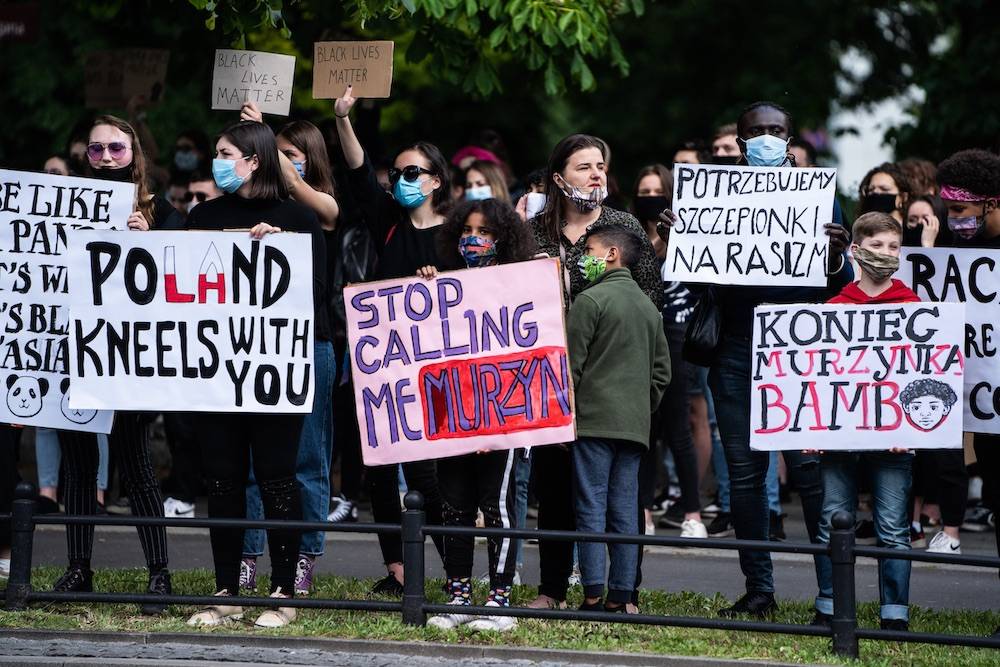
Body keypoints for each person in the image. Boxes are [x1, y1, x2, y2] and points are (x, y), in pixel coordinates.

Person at [662, 101, 852, 618]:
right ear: (741, 140)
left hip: (800, 349)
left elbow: (838, 283)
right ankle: (759, 589)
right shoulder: (714, 196)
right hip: (736, 350)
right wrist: (682, 236)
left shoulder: (821, 198)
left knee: (810, 473)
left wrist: (837, 251)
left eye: (776, 130)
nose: (767, 138)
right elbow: (699, 280)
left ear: (789, 139)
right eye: (757, 131)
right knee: (745, 475)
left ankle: (831, 595)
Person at [184, 120, 327, 628]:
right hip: (217, 370)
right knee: (222, 480)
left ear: (254, 160)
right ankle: (225, 590)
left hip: (272, 370)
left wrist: (281, 249)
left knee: (277, 479)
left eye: (225, 153)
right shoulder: (202, 216)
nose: (217, 161)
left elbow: (313, 299)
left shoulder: (298, 219)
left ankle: (284, 592)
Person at [526, 133, 660, 611]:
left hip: (607, 381)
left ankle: (622, 594)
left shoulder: (622, 227)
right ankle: (552, 588)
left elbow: (648, 301)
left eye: (600, 165)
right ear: (559, 178)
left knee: (619, 500)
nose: (597, 174)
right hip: (543, 371)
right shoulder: (533, 229)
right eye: (584, 167)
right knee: (557, 489)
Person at [51, 114, 179, 615]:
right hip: (74, 355)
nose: (106, 157)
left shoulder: (162, 212)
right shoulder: (61, 210)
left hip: (129, 359)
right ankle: (79, 569)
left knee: (135, 460)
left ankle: (159, 574)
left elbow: (177, 290)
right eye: (97, 149)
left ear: (135, 155)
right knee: (78, 464)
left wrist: (146, 243)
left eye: (117, 149)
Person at [334, 84, 447, 596]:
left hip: (436, 372)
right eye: (396, 173)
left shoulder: (456, 235)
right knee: (380, 470)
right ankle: (398, 571)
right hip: (383, 366)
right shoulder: (387, 221)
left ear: (436, 181)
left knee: (427, 476)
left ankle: (453, 569)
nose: (400, 181)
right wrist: (342, 119)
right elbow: (357, 172)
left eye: (411, 173)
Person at [420, 199, 537, 632]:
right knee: (455, 506)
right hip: (455, 417)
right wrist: (427, 290)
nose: (474, 239)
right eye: (467, 231)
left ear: (503, 237)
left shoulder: (520, 286)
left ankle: (500, 599)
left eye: (484, 232)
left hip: (504, 417)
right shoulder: (443, 285)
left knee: (498, 505)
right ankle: (459, 595)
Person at [237, 108, 340, 595]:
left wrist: (274, 157)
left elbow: (324, 210)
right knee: (259, 463)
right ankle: (248, 557)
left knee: (306, 459)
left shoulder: (314, 211)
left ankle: (303, 556)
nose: (278, 164)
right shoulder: (253, 208)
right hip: (257, 345)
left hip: (310, 342)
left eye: (289, 157)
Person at [813, 211, 920, 631]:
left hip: (895, 441)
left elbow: (921, 376)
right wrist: (810, 427)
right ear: (856, 250)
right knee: (830, 520)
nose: (886, 254)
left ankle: (895, 615)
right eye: (877, 246)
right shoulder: (834, 308)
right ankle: (829, 608)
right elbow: (815, 378)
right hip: (838, 439)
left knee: (893, 526)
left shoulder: (913, 307)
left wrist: (907, 429)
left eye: (893, 247)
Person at [568, 225, 670, 612]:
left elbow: (571, 368)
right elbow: (662, 373)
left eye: (590, 250)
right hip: (633, 426)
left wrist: (568, 415)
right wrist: (641, 407)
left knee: (590, 506)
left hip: (592, 421)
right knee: (626, 509)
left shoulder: (590, 301)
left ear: (611, 254)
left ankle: (593, 592)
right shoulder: (648, 308)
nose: (583, 259)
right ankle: (622, 594)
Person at [632, 164, 705, 538]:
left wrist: (672, 238)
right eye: (643, 192)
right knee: (646, 428)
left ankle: (693, 512)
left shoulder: (686, 234)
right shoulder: (628, 235)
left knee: (678, 428)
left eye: (656, 192)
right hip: (639, 336)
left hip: (676, 334)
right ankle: (643, 510)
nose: (650, 199)